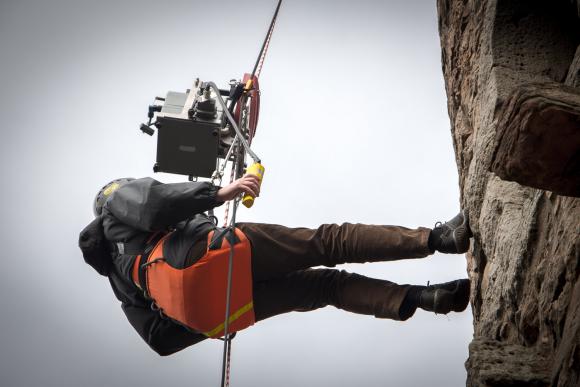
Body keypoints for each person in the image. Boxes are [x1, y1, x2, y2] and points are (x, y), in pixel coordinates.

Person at [79, 175, 472, 356]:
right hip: (207, 255)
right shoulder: (112, 200)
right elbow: (153, 204)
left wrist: (208, 313)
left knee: (325, 289)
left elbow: (160, 341)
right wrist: (217, 194)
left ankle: (429, 298)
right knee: (326, 242)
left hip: (217, 311)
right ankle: (439, 239)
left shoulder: (120, 282)